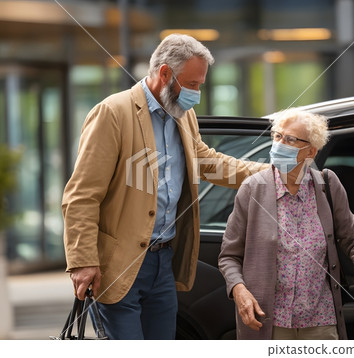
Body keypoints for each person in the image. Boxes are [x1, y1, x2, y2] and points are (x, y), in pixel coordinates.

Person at [62, 34, 265, 340]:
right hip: (118, 265)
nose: (197, 93)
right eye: (193, 84)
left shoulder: (184, 115)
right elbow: (81, 196)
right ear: (165, 74)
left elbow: (206, 162)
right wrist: (83, 261)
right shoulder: (113, 113)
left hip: (163, 262)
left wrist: (270, 173)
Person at [218, 109, 354, 340]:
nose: (280, 144)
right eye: (277, 136)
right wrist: (239, 291)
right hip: (268, 322)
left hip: (320, 320)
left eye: (290, 139)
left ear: (311, 151)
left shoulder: (328, 185)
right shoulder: (252, 188)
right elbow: (229, 256)